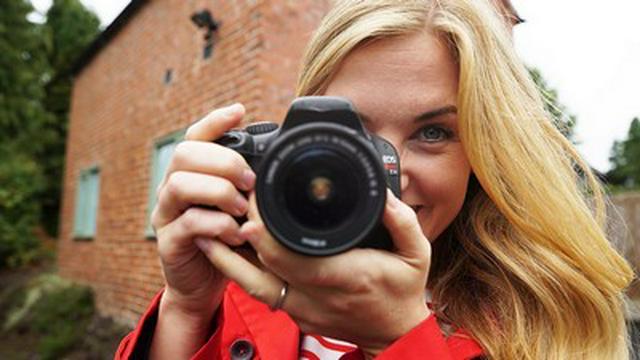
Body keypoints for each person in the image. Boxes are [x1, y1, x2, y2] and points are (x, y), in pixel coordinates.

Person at [116, 0, 634, 359]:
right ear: (299, 131)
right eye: (354, 132)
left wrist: (400, 341)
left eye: (433, 132)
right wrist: (186, 309)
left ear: (484, 149)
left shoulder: (544, 315)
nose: (390, 170)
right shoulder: (245, 271)